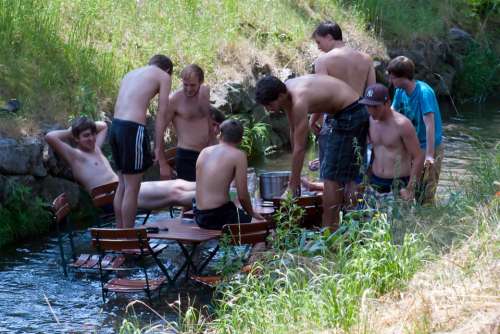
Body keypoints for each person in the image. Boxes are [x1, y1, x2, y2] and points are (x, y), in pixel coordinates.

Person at [255, 75, 368, 230]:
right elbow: (293, 130)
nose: (268, 109)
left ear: (280, 96)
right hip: (342, 112)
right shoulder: (286, 92)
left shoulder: (298, 99)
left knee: (331, 174)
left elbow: (301, 148)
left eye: (269, 104)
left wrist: (293, 184)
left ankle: (330, 231)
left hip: (351, 112)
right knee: (342, 173)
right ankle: (350, 225)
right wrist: (294, 174)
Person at [45, 117, 196, 212]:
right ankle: (214, 196)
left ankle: (212, 189)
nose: (91, 138)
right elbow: (50, 137)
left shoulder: (95, 148)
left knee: (176, 185)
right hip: (113, 199)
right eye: (86, 136)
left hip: (123, 191)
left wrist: (85, 127)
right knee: (176, 193)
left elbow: (103, 125)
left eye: (92, 134)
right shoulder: (75, 156)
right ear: (76, 138)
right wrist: (72, 131)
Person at [110, 54, 173, 228]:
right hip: (132, 129)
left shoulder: (131, 73)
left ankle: (120, 234)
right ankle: (129, 239)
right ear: (168, 69)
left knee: (122, 184)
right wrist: (159, 149)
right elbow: (161, 114)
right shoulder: (164, 76)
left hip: (115, 127)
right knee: (132, 188)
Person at [388, 56, 443, 204]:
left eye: (393, 78)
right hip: (413, 145)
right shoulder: (400, 91)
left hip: (429, 145)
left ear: (403, 77)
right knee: (410, 185)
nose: (390, 82)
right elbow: (393, 113)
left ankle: (427, 219)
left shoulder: (424, 92)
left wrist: (430, 155)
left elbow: (429, 125)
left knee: (426, 192)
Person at [309, 20, 376, 138]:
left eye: (318, 42)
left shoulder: (322, 61)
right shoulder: (366, 59)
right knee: (357, 155)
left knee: (332, 156)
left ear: (329, 37)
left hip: (336, 117)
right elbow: (372, 95)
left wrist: (313, 119)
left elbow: (323, 96)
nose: (318, 47)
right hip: (361, 116)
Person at [194, 119, 264, 230]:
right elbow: (242, 196)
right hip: (218, 216)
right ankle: (259, 246)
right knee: (263, 227)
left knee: (234, 209)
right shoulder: (239, 155)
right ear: (240, 139)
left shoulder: (204, 152)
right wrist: (252, 214)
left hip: (199, 215)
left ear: (220, 134)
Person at [359, 84, 424, 199]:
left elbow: (418, 157)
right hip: (374, 182)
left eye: (375, 107)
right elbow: (373, 151)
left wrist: (410, 189)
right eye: (368, 106)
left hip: (398, 184)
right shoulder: (370, 121)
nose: (371, 111)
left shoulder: (403, 124)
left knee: (396, 217)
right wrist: (365, 180)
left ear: (387, 103)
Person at [161, 64, 212, 182]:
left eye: (193, 85)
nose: (188, 89)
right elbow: (160, 130)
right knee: (190, 197)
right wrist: (163, 163)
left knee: (211, 196)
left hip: (208, 154)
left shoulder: (204, 93)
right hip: (187, 156)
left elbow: (209, 122)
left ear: (201, 82)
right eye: (185, 84)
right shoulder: (174, 99)